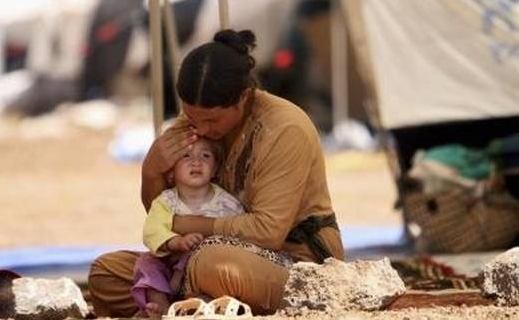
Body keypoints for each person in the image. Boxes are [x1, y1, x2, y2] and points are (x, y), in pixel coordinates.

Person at [88, 29, 344, 317]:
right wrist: (152, 170)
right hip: (197, 257)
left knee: (210, 264)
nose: (202, 129)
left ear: (243, 97)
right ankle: (193, 305)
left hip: (295, 263)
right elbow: (163, 213)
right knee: (105, 272)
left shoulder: (285, 129)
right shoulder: (195, 121)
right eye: (192, 117)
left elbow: (268, 233)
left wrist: (186, 225)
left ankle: (184, 305)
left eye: (212, 120)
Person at [131, 137, 244, 318]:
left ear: (215, 168)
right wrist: (176, 242)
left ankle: (194, 306)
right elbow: (152, 229)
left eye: (205, 156)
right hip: (170, 264)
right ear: (171, 172)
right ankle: (162, 307)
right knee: (146, 263)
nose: (196, 162)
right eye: (186, 156)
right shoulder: (166, 201)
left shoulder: (228, 204)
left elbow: (239, 235)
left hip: (203, 269)